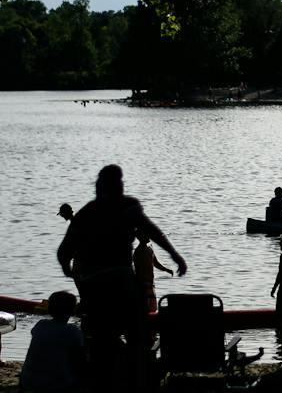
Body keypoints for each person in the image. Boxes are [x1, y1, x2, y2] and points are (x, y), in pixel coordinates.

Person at [57, 165, 186, 392]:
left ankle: (105, 379)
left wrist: (71, 272)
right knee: (138, 338)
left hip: (95, 286)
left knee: (99, 342)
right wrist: (175, 255)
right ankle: (138, 377)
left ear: (100, 186)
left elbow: (63, 252)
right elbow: (153, 230)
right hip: (121, 280)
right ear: (119, 186)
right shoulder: (128, 206)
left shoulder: (88, 212)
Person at [18, 291, 84, 392]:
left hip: (27, 382)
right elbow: (79, 357)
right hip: (57, 385)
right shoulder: (72, 331)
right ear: (72, 311)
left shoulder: (41, 324)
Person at [133, 229, 174, 312]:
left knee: (153, 309)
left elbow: (155, 263)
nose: (148, 237)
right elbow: (137, 270)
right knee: (144, 310)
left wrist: (166, 269)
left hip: (151, 285)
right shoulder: (137, 252)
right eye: (146, 235)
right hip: (142, 286)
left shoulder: (150, 249)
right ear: (140, 237)